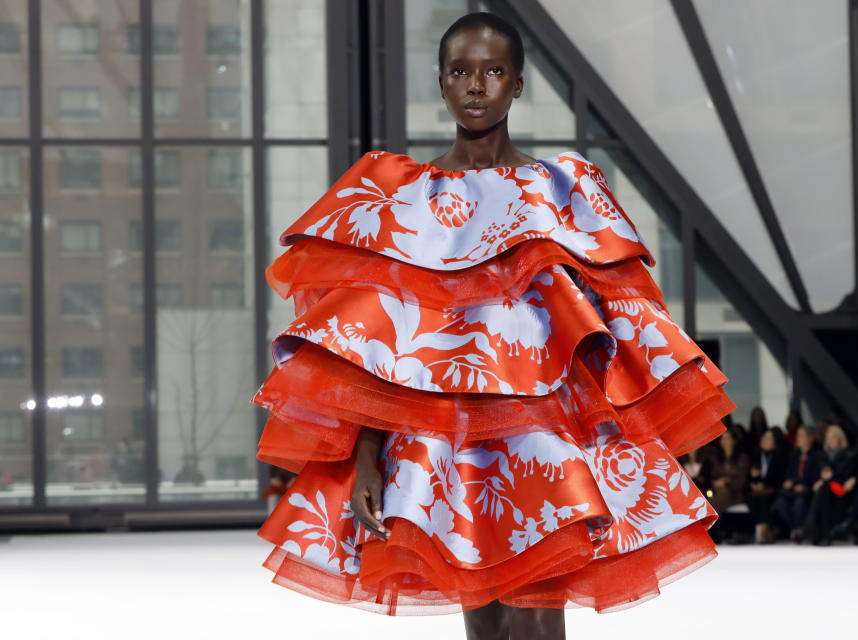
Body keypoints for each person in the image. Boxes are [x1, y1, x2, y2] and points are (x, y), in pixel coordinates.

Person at [249, 10, 735, 636]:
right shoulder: (402, 200)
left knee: (539, 616)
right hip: (445, 437)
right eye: (460, 71)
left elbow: (614, 318)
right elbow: (375, 342)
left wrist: (623, 437)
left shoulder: (561, 189)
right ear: (442, 83)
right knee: (482, 622)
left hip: (544, 434)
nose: (476, 87)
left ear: (519, 84)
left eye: (494, 71)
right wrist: (367, 457)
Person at [802, 425, 853, 545]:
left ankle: (812, 521)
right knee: (823, 491)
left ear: (840, 439)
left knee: (824, 489)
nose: (830, 441)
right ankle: (823, 533)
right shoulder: (821, 455)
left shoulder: (848, 455)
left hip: (841, 491)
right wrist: (822, 479)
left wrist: (827, 479)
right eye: (828, 438)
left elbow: (845, 476)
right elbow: (814, 474)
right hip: (824, 492)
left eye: (833, 438)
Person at [771, 425, 821, 542]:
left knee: (800, 503)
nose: (798, 438)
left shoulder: (816, 455)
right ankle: (797, 528)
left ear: (810, 438)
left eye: (801, 436)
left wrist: (803, 484)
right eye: (798, 436)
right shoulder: (794, 454)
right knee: (779, 503)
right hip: (792, 490)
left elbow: (815, 475)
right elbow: (789, 473)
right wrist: (791, 482)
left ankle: (799, 530)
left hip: (807, 490)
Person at [746, 427, 788, 544]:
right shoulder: (756, 455)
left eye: (769, 438)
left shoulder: (781, 457)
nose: (764, 440)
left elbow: (780, 477)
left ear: (776, 441)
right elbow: (750, 476)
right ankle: (762, 529)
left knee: (764, 499)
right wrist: (755, 480)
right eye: (764, 437)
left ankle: (764, 530)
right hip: (757, 490)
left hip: (773, 490)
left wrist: (764, 485)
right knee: (754, 498)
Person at [707, 430, 750, 543]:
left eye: (727, 438)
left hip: (736, 494)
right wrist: (716, 482)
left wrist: (726, 481)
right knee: (718, 493)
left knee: (721, 493)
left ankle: (713, 527)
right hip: (718, 493)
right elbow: (713, 476)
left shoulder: (742, 457)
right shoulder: (717, 458)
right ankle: (715, 527)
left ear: (733, 441)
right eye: (722, 439)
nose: (724, 441)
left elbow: (741, 480)